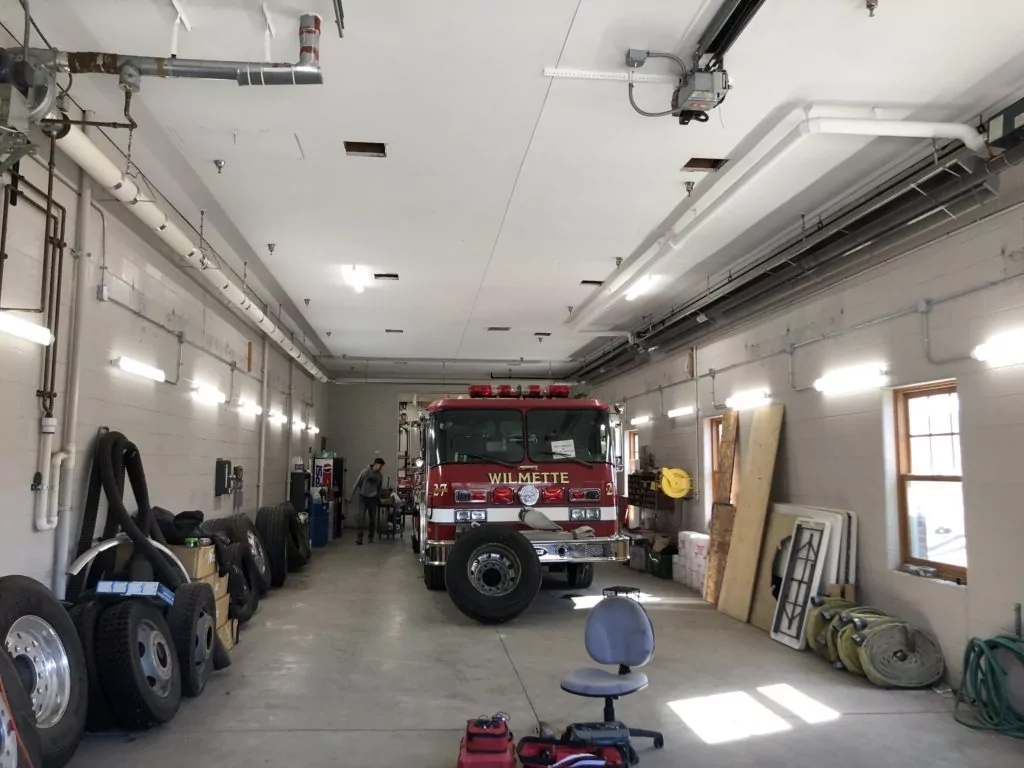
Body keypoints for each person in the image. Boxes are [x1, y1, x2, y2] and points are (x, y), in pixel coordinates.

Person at [350, 458, 385, 545]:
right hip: (363, 497)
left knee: (372, 519)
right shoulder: (365, 472)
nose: (381, 468)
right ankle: (359, 538)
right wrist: (351, 495)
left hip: (373, 499)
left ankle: (370, 537)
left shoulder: (380, 476)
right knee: (361, 518)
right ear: (376, 464)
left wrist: (379, 498)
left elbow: (379, 488)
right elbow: (357, 483)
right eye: (380, 466)